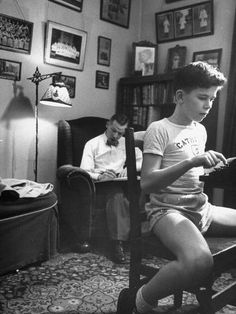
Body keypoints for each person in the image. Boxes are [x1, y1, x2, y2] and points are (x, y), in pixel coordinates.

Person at [117, 61, 236, 313]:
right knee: (199, 261)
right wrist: (193, 161)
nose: (208, 105)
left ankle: (218, 296)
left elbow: (194, 174)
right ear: (180, 96)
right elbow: (147, 182)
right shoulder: (159, 129)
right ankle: (139, 299)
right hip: (168, 211)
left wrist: (218, 167)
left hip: (200, 207)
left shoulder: (200, 130)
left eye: (213, 99)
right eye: (202, 97)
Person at [80, 113, 142, 264]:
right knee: (116, 195)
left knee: (142, 189)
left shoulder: (126, 143)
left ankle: (140, 240)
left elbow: (141, 159)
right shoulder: (92, 144)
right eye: (113, 130)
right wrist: (99, 176)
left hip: (122, 181)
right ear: (107, 124)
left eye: (120, 133)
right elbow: (84, 170)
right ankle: (117, 243)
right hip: (100, 184)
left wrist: (130, 168)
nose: (116, 135)